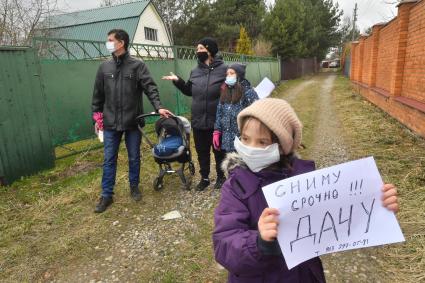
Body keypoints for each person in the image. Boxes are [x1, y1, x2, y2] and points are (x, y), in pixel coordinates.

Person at [213, 98, 399, 282]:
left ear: (283, 146)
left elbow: (339, 220)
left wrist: (376, 205)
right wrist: (259, 242)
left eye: (262, 142)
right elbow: (224, 244)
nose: (250, 148)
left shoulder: (305, 181)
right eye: (245, 139)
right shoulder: (236, 186)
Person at [92, 29, 172, 213]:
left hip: (132, 121)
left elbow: (150, 88)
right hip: (110, 123)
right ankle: (106, 195)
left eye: (111, 40)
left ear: (121, 43)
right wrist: (96, 116)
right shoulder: (104, 67)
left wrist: (158, 106)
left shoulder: (138, 66)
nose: (108, 43)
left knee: (134, 157)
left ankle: (134, 187)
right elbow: (98, 95)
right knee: (109, 159)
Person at [162, 37, 227, 191]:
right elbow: (189, 91)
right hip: (198, 119)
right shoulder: (195, 71)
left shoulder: (224, 70)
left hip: (217, 119)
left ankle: (220, 176)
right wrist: (178, 81)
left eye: (201, 49)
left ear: (210, 50)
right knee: (201, 150)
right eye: (197, 49)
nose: (198, 52)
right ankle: (204, 178)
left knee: (218, 150)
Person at [213, 63, 259, 154]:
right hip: (227, 141)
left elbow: (257, 114)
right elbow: (219, 112)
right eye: (227, 74)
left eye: (232, 73)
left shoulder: (248, 92)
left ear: (239, 75)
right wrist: (217, 131)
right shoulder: (225, 91)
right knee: (230, 165)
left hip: (243, 141)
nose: (228, 76)